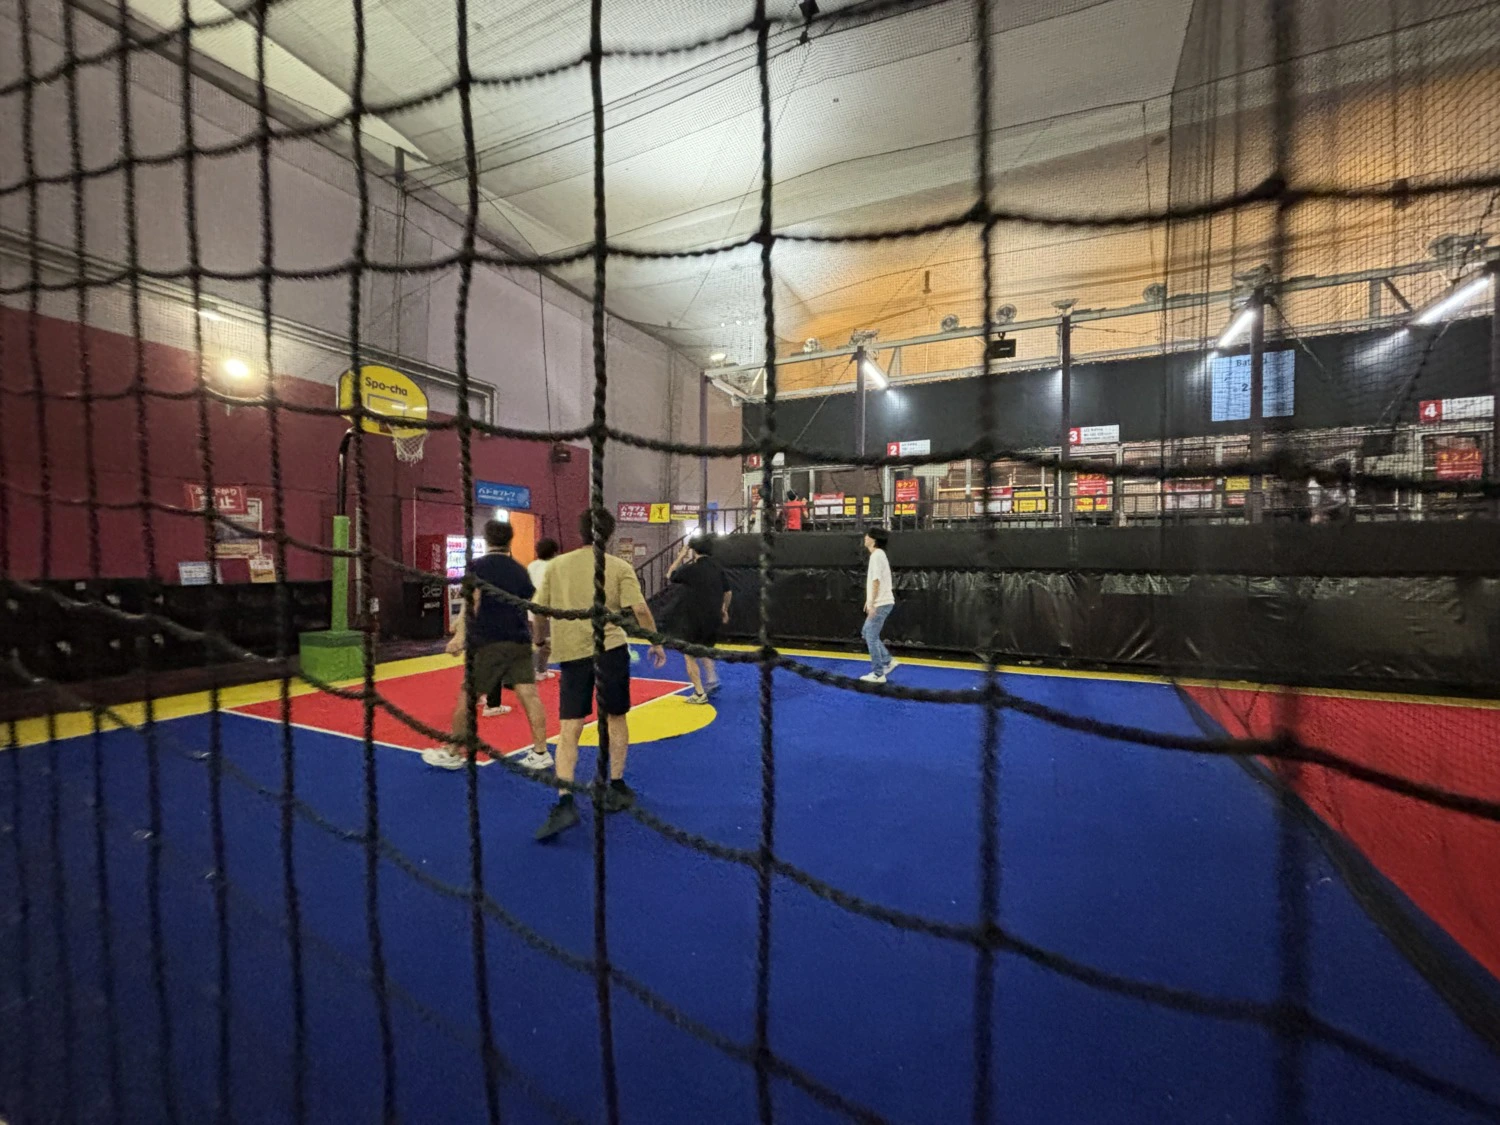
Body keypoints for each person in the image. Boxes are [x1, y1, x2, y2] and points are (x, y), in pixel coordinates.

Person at [531, 508, 666, 841]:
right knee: (615, 718)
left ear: (580, 531)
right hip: (610, 650)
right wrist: (655, 642)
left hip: (572, 654)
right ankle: (615, 785)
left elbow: (539, 611)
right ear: (611, 533)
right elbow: (640, 609)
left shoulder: (556, 566)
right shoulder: (618, 566)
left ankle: (565, 801)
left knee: (570, 728)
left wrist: (539, 641)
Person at [424, 520, 551, 774]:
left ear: (487, 539)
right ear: (510, 541)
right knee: (530, 695)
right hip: (519, 640)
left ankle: (452, 752)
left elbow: (473, 601)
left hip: (488, 642)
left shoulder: (477, 566)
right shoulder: (519, 570)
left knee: (468, 696)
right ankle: (541, 752)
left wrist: (460, 636)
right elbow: (525, 602)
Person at [665, 534, 732, 703]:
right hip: (713, 617)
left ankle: (699, 693)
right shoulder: (717, 568)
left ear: (694, 550)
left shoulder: (691, 569)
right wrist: (724, 609)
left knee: (689, 654)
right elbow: (728, 592)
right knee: (705, 648)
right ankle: (712, 678)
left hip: (694, 618)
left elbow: (670, 575)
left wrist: (681, 556)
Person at [859, 526, 897, 683]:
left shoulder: (876, 556)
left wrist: (872, 603)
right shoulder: (879, 555)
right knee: (866, 632)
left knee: (871, 636)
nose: (865, 538)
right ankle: (888, 660)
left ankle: (878, 674)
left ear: (873, 539)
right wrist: (869, 601)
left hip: (881, 603)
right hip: (882, 602)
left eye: (867, 536)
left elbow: (876, 581)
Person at [527, 538, 560, 680]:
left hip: (531, 609)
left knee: (536, 641)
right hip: (546, 610)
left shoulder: (532, 565)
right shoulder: (554, 566)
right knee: (545, 643)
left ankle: (538, 669)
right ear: (554, 552)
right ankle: (539, 670)